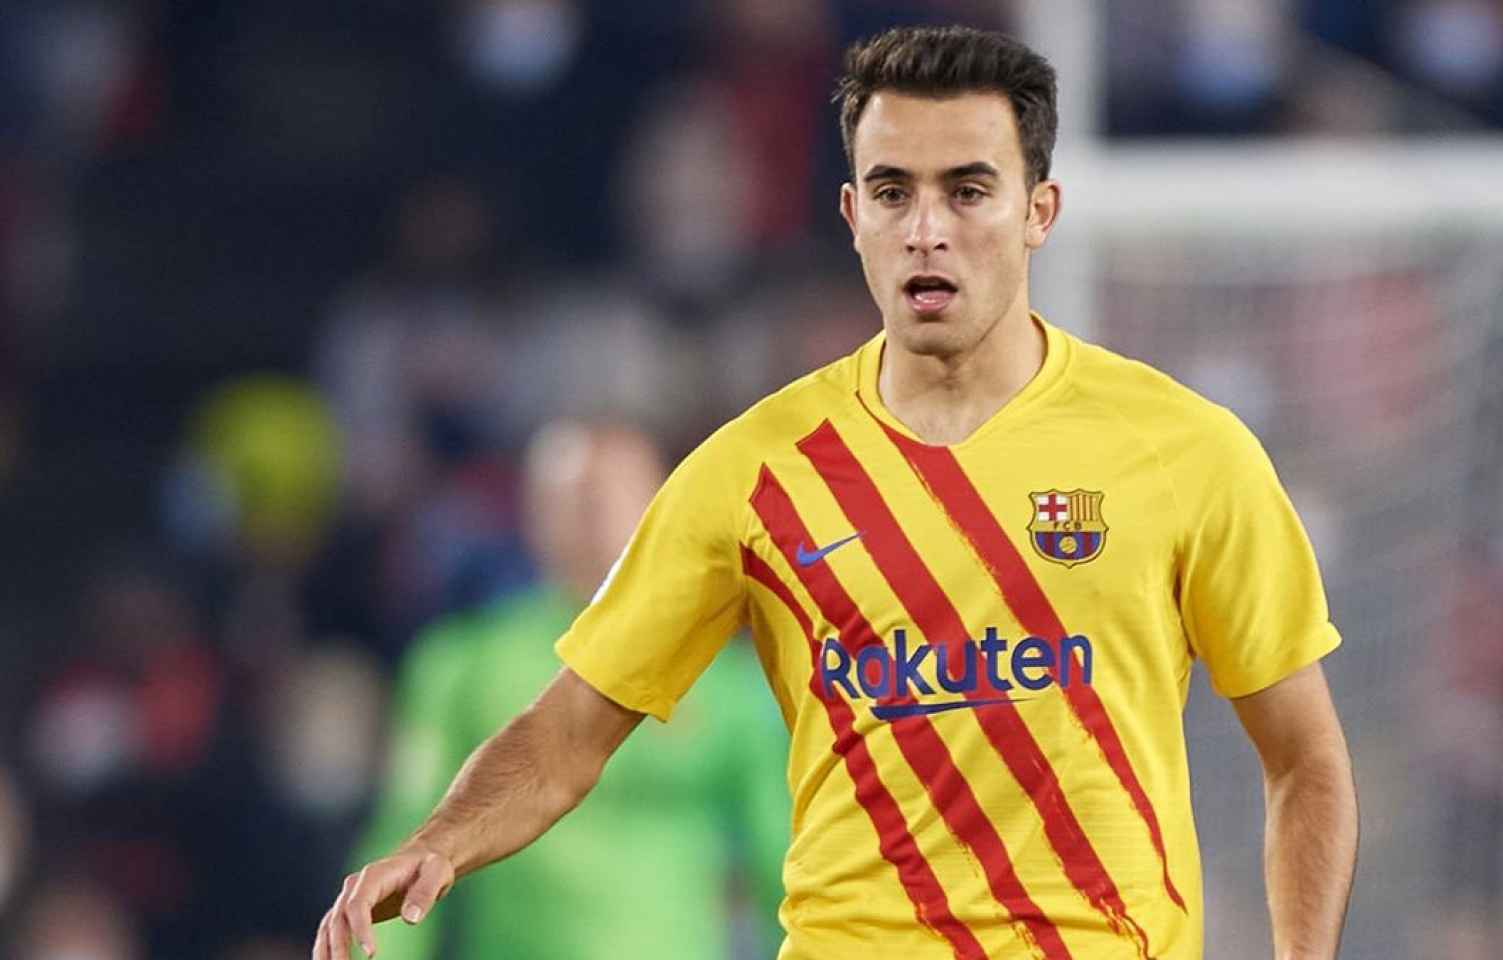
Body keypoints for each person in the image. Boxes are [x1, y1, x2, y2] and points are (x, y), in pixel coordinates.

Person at [315, 24, 1358, 960]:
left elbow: (1303, 759)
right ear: (853, 214)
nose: (926, 229)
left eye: (967, 189)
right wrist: (440, 842)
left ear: (1038, 210)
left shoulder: (1182, 450)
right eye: (894, 191)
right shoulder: (750, 470)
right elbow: (569, 731)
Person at [349, 421, 790, 960]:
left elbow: (785, 866)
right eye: (572, 499)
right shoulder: (464, 666)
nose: (595, 519)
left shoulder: (729, 681)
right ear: (534, 514)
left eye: (614, 495)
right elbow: (405, 843)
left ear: (661, 506)